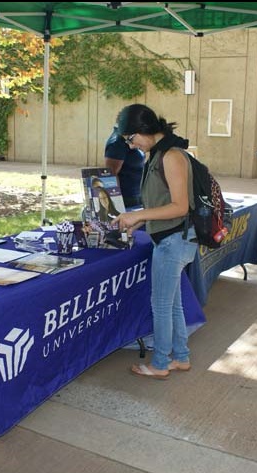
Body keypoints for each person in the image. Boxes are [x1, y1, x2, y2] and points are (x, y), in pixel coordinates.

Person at [111, 103, 198, 379]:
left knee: (160, 304)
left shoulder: (171, 156)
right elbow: (163, 203)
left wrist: (141, 215)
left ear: (143, 130)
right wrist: (140, 219)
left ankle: (160, 363)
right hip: (172, 236)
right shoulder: (158, 153)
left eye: (130, 138)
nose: (131, 144)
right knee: (172, 303)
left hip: (175, 239)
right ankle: (181, 357)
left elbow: (180, 206)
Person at [104, 126, 145, 208]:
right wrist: (117, 203)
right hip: (126, 198)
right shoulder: (117, 143)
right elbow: (111, 175)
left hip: (136, 195)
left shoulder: (131, 139)